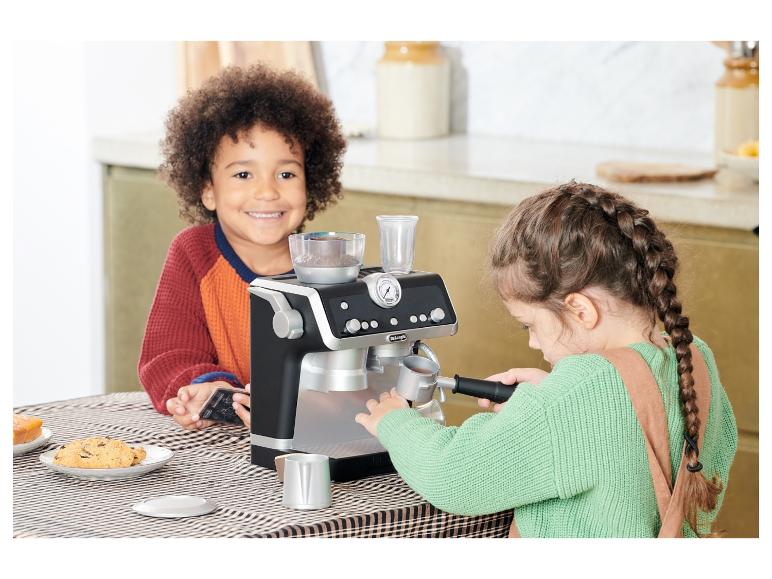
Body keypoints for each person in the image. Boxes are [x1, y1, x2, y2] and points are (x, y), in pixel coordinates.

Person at [355, 181, 737, 537]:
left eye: (529, 325)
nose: (534, 344)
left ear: (581, 310)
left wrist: (396, 423)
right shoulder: (693, 355)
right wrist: (550, 400)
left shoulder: (579, 393)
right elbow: (663, 435)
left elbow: (452, 475)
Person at [138, 64, 346, 430]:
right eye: (243, 174)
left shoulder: (330, 265)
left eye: (286, 174)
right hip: (213, 446)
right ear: (207, 189)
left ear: (310, 183)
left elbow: (346, 377)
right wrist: (207, 387)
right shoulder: (194, 253)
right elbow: (166, 356)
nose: (267, 192)